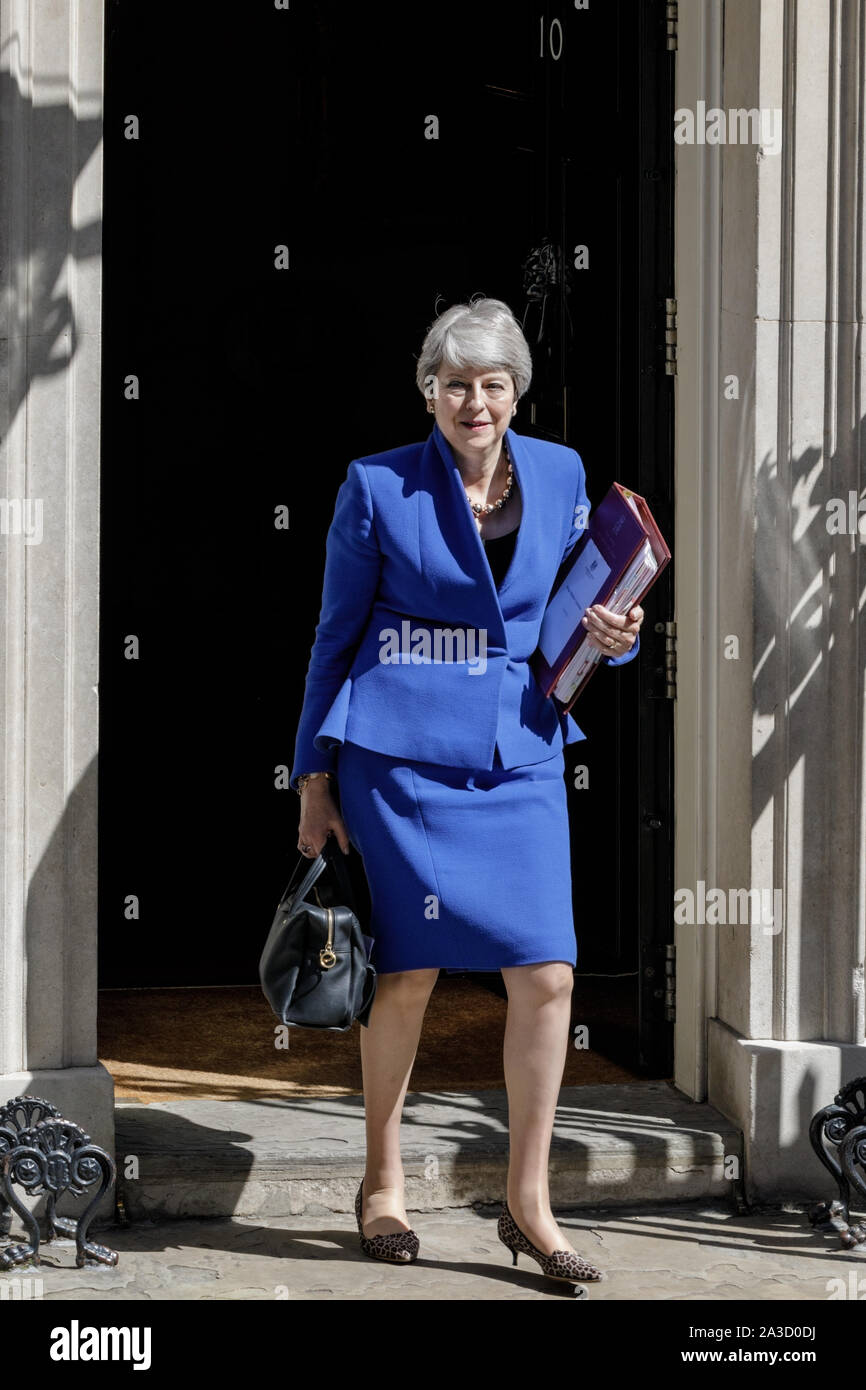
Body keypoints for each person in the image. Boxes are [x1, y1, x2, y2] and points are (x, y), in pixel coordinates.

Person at [290, 296, 643, 1285]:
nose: (473, 401)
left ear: (514, 392)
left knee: (546, 976)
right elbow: (333, 636)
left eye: (491, 384)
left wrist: (614, 643)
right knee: (406, 973)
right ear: (429, 392)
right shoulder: (375, 487)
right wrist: (311, 776)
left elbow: (585, 609)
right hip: (396, 761)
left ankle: (528, 1203)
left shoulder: (565, 473)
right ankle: (381, 1183)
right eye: (454, 384)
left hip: (519, 750)